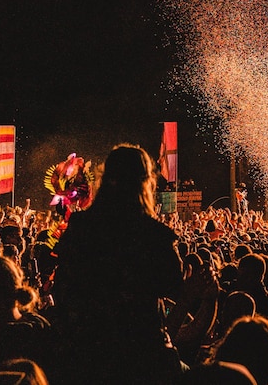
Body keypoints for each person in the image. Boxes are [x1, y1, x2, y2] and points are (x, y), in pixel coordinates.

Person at [51, 144, 184, 385]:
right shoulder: (152, 234)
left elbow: (63, 286)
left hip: (87, 353)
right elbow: (173, 282)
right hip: (140, 355)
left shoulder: (82, 227)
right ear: (145, 182)